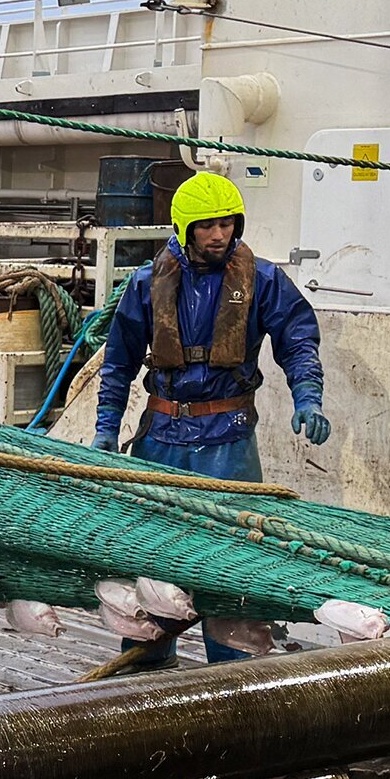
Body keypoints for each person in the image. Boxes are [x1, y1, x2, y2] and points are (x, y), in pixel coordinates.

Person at [91, 171, 327, 664]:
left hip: (229, 443)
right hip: (161, 439)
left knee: (234, 562)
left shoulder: (263, 280)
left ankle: (233, 671)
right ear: (183, 229)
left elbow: (297, 340)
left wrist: (308, 396)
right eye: (206, 226)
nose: (219, 235)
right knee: (151, 560)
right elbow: (118, 363)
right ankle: (145, 668)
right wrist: (105, 429)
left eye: (226, 223)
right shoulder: (144, 284)